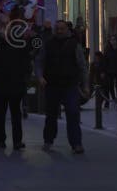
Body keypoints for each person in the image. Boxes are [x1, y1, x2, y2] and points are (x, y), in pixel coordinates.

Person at [36, 20, 89, 154]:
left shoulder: (74, 44)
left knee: (73, 113)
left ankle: (76, 142)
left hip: (70, 84)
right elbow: (39, 62)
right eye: (57, 28)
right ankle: (48, 140)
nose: (59, 31)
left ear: (67, 30)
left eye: (62, 29)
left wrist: (85, 85)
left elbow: (82, 66)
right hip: (52, 84)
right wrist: (40, 76)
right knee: (51, 114)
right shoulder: (48, 44)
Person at [0, 22, 32, 150]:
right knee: (1, 114)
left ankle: (16, 140)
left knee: (15, 114)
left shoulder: (20, 45)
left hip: (14, 84)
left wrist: (25, 78)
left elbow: (27, 63)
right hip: (1, 84)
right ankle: (1, 140)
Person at [102, 35, 117, 108]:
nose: (113, 41)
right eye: (111, 40)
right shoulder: (108, 50)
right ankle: (112, 99)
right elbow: (105, 61)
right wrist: (104, 70)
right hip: (109, 71)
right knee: (110, 86)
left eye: (114, 39)